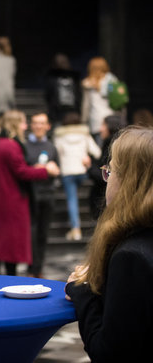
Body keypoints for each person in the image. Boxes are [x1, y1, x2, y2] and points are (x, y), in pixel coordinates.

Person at [65, 126, 153, 362]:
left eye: (110, 171)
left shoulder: (131, 256)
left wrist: (81, 289)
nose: (107, 179)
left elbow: (109, 352)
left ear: (130, 182)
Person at [0, 110, 60, 276]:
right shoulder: (11, 145)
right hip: (11, 200)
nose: (26, 127)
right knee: (11, 246)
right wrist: (46, 170)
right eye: (23, 122)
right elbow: (21, 172)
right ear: (15, 124)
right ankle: (11, 279)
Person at [54, 112, 101, 241]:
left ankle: (76, 229)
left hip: (67, 172)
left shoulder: (60, 137)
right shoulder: (84, 135)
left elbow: (56, 154)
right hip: (82, 171)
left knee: (72, 199)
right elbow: (97, 152)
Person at [25, 112, 59, 278]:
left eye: (42, 123)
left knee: (43, 234)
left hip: (47, 195)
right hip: (30, 195)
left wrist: (52, 169)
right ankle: (31, 268)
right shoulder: (24, 145)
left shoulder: (51, 147)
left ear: (48, 126)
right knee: (31, 233)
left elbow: (58, 170)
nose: (39, 126)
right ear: (31, 125)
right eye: (35, 123)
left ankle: (38, 269)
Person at [87, 115, 125, 220]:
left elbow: (106, 176)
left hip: (107, 204)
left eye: (103, 125)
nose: (100, 129)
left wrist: (90, 167)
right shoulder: (110, 145)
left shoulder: (113, 148)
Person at [81, 56, 118, 145]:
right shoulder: (112, 80)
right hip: (112, 119)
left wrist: (83, 121)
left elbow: (86, 105)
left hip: (96, 120)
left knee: (100, 150)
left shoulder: (87, 84)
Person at [44, 53, 81, 127]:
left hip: (71, 111)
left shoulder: (73, 77)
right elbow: (48, 94)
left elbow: (78, 94)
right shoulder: (52, 77)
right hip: (58, 112)